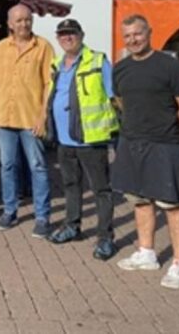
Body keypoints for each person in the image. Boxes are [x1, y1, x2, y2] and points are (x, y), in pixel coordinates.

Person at [113, 14, 179, 290]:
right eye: (127, 36)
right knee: (140, 200)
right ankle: (147, 252)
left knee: (171, 204)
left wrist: (169, 134)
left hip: (163, 145)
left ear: (148, 32)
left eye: (137, 34)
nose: (132, 40)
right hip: (131, 142)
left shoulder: (169, 66)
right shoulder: (121, 68)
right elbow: (122, 102)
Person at [45, 19, 118, 260]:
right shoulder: (57, 64)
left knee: (101, 190)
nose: (67, 38)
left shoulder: (98, 61)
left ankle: (105, 238)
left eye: (71, 33)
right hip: (65, 140)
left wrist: (121, 133)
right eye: (63, 34)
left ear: (81, 35)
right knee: (70, 185)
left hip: (91, 140)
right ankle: (72, 226)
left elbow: (115, 97)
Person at [0, 4, 54, 238]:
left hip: (30, 118)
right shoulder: (2, 47)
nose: (24, 24)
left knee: (38, 166)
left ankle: (43, 216)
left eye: (27, 19)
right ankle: (10, 211)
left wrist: (42, 116)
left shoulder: (43, 47)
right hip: (5, 117)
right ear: (10, 24)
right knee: (7, 165)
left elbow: (48, 85)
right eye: (19, 20)